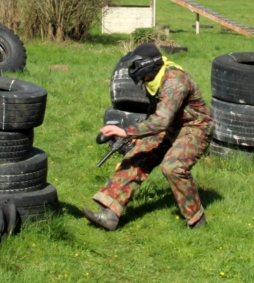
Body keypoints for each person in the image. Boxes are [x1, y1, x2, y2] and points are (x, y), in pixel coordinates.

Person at [82, 43, 213, 231]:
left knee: (172, 167)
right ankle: (110, 213)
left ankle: (196, 220)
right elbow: (155, 112)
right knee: (136, 155)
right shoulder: (152, 80)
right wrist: (139, 136)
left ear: (148, 65)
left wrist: (127, 131)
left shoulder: (175, 80)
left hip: (194, 128)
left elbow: (161, 121)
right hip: (169, 125)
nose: (132, 70)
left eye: (136, 66)